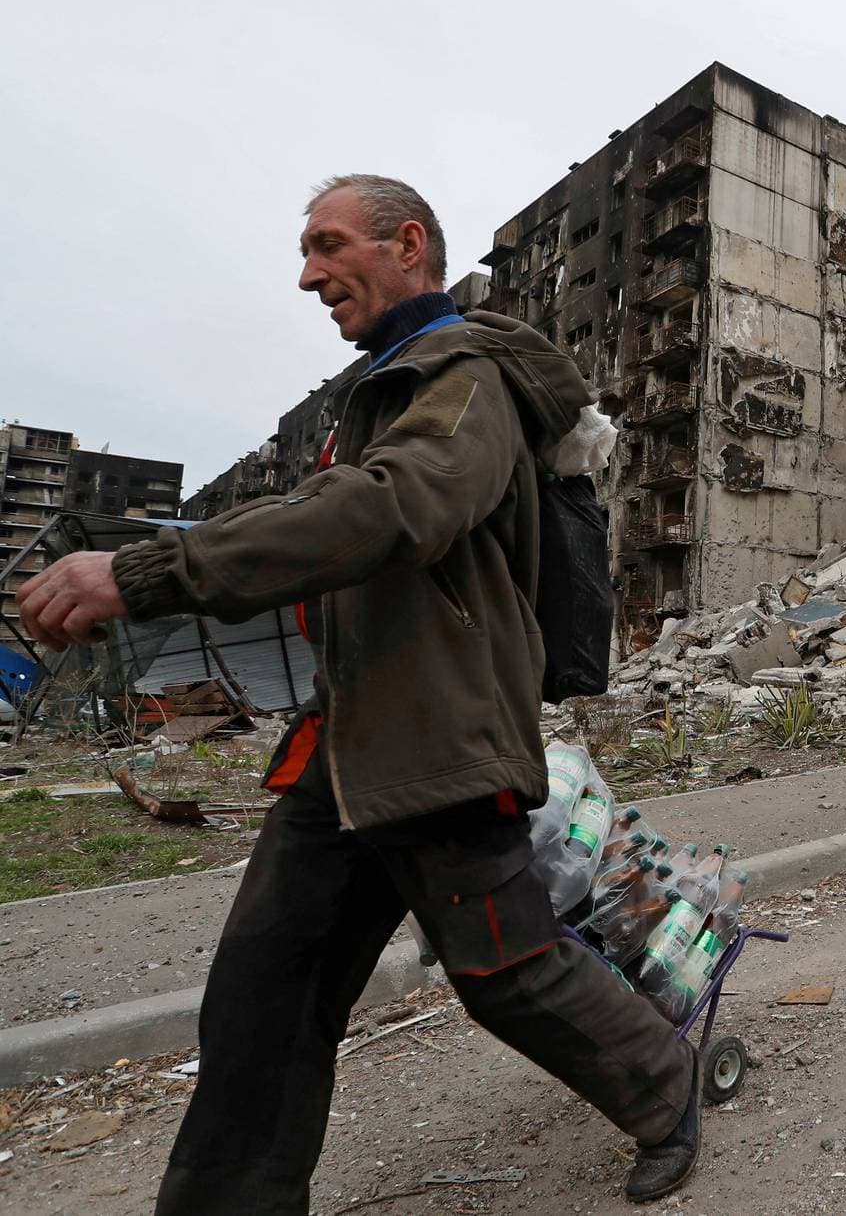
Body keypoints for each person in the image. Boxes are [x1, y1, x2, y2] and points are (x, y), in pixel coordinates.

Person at [17, 175, 699, 1213]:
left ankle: (665, 1087)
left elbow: (394, 509)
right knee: (264, 994)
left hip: (438, 736)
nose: (307, 275)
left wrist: (146, 572)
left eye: (329, 245)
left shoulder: (462, 380)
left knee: (505, 972)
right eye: (305, 251)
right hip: (344, 742)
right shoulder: (391, 383)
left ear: (408, 244)